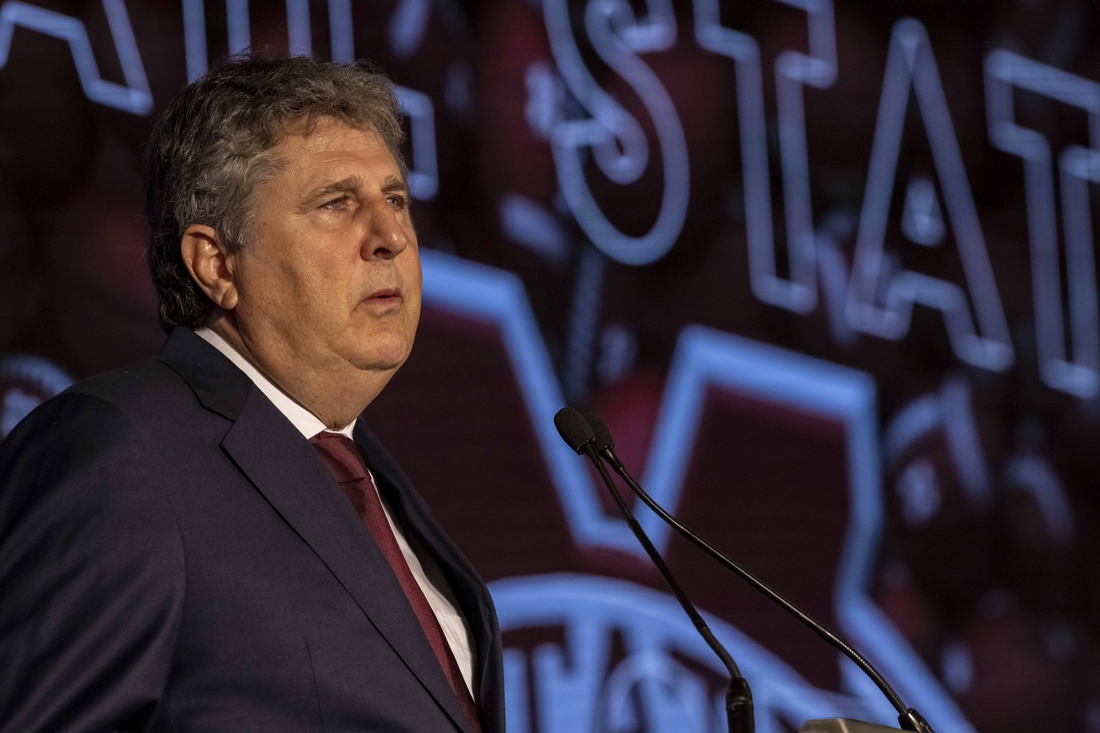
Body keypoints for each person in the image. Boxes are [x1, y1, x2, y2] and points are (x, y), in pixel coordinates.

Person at [0, 54, 503, 733]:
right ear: (216, 262)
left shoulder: (377, 484)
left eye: (395, 200)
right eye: (337, 203)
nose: (391, 238)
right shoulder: (123, 452)